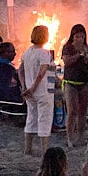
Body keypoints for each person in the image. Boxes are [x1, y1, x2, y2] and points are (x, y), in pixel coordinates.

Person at [60, 24, 88, 147]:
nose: (79, 39)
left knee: (83, 111)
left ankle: (80, 136)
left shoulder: (87, 48)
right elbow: (66, 62)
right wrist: (78, 55)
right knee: (72, 111)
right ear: (72, 36)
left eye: (82, 36)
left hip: (85, 82)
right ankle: (70, 137)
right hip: (71, 82)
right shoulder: (67, 48)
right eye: (77, 37)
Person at [21, 24, 56, 156]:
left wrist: (25, 86)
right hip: (43, 91)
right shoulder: (44, 53)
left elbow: (21, 70)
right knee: (44, 120)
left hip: (30, 91)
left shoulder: (28, 52)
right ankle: (44, 151)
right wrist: (33, 88)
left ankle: (27, 148)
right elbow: (42, 73)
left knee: (31, 118)